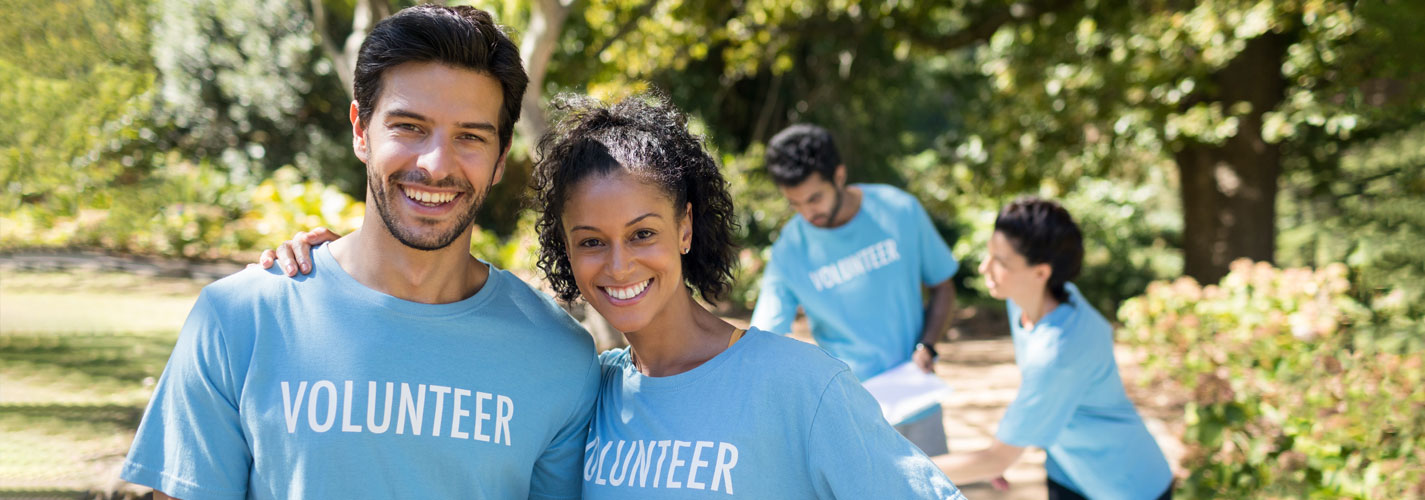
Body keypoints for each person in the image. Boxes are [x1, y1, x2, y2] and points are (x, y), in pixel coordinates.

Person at [269, 92, 966, 498]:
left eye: (642, 232)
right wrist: (346, 260)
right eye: (590, 240)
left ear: (685, 226)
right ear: (566, 252)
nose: (618, 263)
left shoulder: (802, 388)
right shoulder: (581, 386)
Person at [121, 5, 600, 499]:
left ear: (500, 158)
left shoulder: (559, 356)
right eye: (409, 127)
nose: (436, 165)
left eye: (470, 137)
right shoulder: (239, 319)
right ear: (359, 129)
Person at [933, 197, 1174, 499]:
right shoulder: (1031, 296)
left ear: (1041, 273)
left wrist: (905, 468)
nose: (985, 267)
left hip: (1125, 483)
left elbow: (998, 458)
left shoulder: (1058, 352)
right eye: (990, 253)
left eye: (1001, 262)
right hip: (1068, 471)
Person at [749, 124, 959, 455]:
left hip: (917, 398)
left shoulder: (898, 210)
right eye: (795, 203)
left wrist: (927, 346)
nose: (807, 212)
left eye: (815, 198)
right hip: (847, 412)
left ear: (840, 175)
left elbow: (943, 287)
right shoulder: (790, 249)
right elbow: (764, 336)